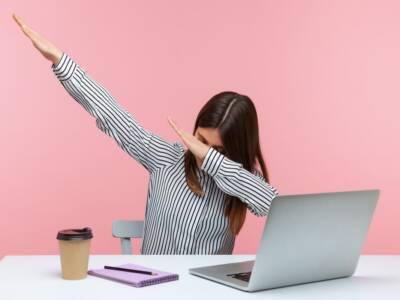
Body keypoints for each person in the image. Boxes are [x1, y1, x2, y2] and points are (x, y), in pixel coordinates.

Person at [13, 14, 279, 254]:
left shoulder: (242, 180)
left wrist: (212, 160)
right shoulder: (167, 158)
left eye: (215, 149)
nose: (200, 152)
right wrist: (60, 61)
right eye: (200, 139)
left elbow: (270, 204)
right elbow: (114, 116)